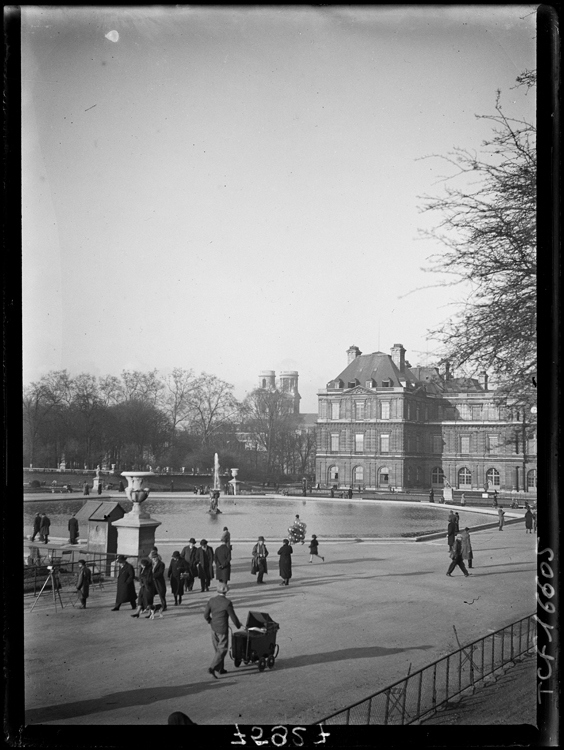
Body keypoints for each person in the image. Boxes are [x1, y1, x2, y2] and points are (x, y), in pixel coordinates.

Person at [204, 582, 242, 678]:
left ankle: (221, 669)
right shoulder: (227, 603)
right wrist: (238, 625)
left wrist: (210, 621)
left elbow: (206, 615)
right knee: (222, 650)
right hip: (222, 629)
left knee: (217, 649)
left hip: (213, 628)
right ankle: (212, 668)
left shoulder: (211, 600)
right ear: (226, 592)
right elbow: (233, 617)